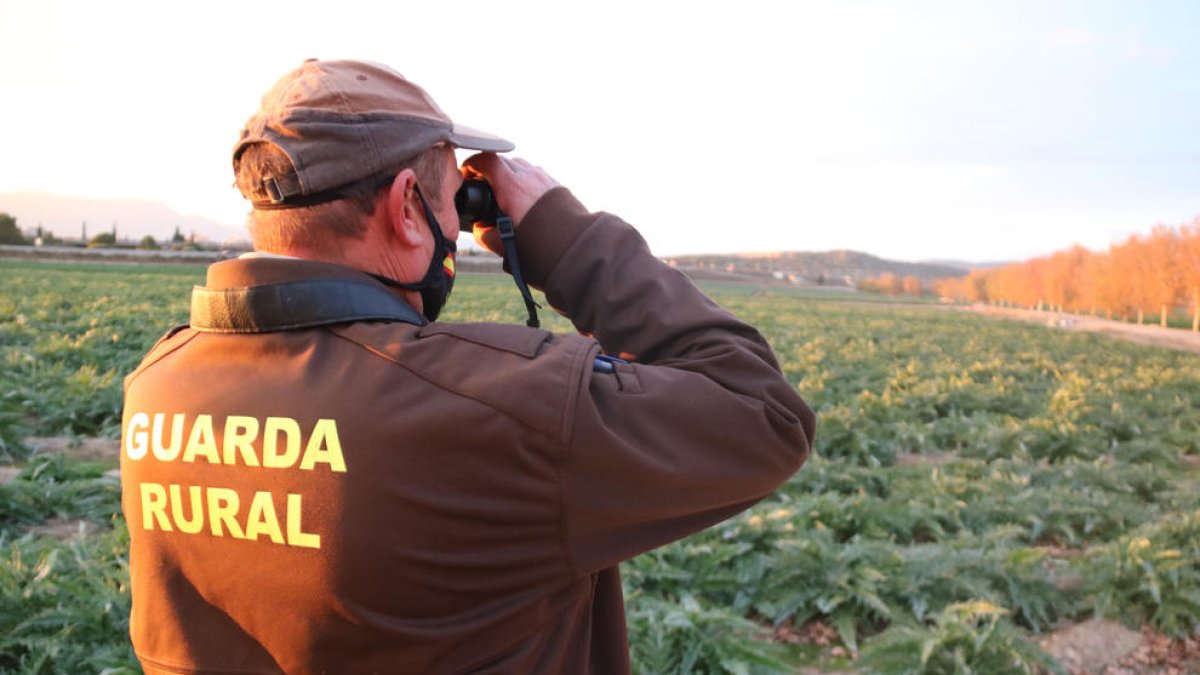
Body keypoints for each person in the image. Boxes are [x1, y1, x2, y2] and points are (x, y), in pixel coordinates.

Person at [120, 58, 815, 674]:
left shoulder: (158, 384)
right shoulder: (492, 407)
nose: (459, 227)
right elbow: (763, 411)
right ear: (405, 210)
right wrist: (560, 234)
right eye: (453, 201)